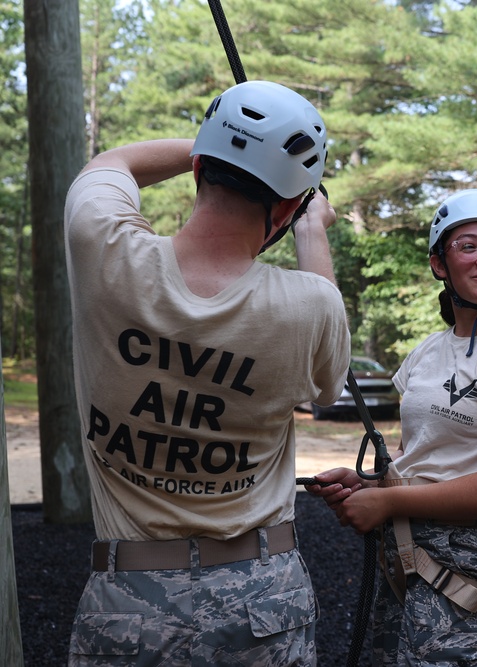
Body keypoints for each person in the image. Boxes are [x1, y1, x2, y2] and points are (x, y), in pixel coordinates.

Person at [64, 80, 353, 666]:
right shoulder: (310, 307)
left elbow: (113, 163)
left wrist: (223, 141)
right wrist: (311, 228)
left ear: (198, 167)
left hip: (128, 599)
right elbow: (327, 384)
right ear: (288, 206)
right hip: (262, 596)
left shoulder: (102, 247)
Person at [307, 188, 477, 666]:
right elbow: (416, 460)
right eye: (468, 246)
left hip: (466, 566)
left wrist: (385, 500)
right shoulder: (428, 350)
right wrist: (368, 482)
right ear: (440, 264)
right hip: (404, 558)